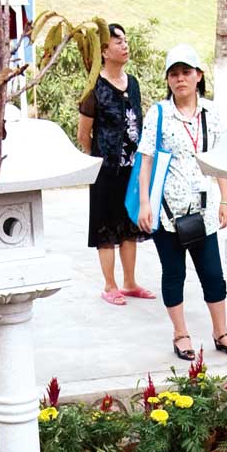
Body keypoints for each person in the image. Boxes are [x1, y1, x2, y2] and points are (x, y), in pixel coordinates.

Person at [134, 46, 227, 364]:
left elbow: (219, 161)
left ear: (198, 76)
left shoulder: (211, 113)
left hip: (204, 210)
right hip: (166, 209)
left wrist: (225, 199)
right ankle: (181, 334)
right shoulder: (159, 114)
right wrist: (144, 204)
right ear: (168, 79)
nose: (180, 79)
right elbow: (146, 162)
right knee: (174, 273)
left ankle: (221, 332)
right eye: (174, 73)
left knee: (213, 273)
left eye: (186, 72)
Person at [75, 23, 150, 306]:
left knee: (130, 224)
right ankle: (110, 285)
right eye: (117, 41)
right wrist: (100, 158)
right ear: (104, 51)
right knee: (106, 228)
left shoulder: (133, 83)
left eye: (125, 40)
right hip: (105, 169)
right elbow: (84, 134)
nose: (124, 45)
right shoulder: (94, 87)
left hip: (133, 167)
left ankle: (130, 282)